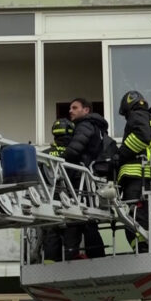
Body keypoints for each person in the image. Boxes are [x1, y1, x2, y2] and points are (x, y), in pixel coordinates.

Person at [114, 91, 151, 251]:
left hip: (137, 177)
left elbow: (142, 136)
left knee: (133, 219)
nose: (127, 118)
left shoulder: (137, 115)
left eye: (125, 114)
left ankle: (142, 249)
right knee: (142, 217)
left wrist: (120, 155)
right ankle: (143, 247)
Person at [61, 98, 108, 259]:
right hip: (91, 180)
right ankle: (97, 255)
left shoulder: (85, 125)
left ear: (86, 110)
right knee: (89, 222)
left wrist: (60, 161)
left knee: (74, 220)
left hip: (80, 179)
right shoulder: (99, 128)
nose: (70, 111)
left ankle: (69, 259)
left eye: (74, 107)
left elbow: (74, 150)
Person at [42, 118, 74, 262]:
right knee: (72, 233)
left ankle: (49, 263)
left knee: (50, 233)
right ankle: (69, 263)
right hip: (72, 200)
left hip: (49, 200)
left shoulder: (44, 154)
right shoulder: (73, 154)